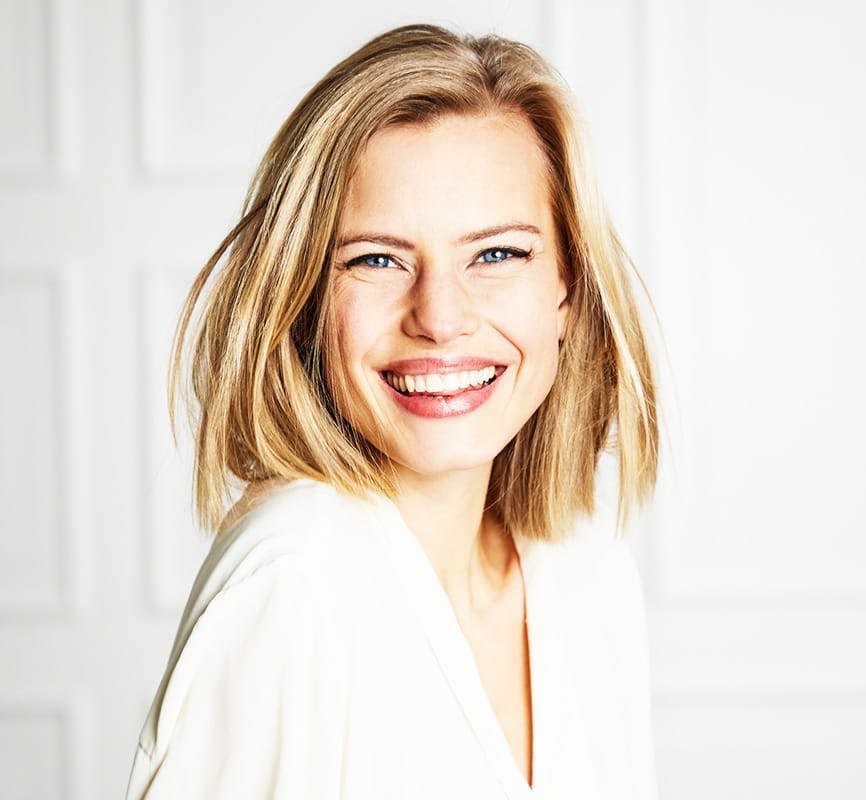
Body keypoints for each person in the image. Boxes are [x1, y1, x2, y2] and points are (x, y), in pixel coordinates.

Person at [125, 23, 660, 800]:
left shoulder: (588, 572)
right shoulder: (296, 578)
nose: (439, 316)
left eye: (497, 254)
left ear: (567, 293)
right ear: (305, 299)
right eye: (376, 259)